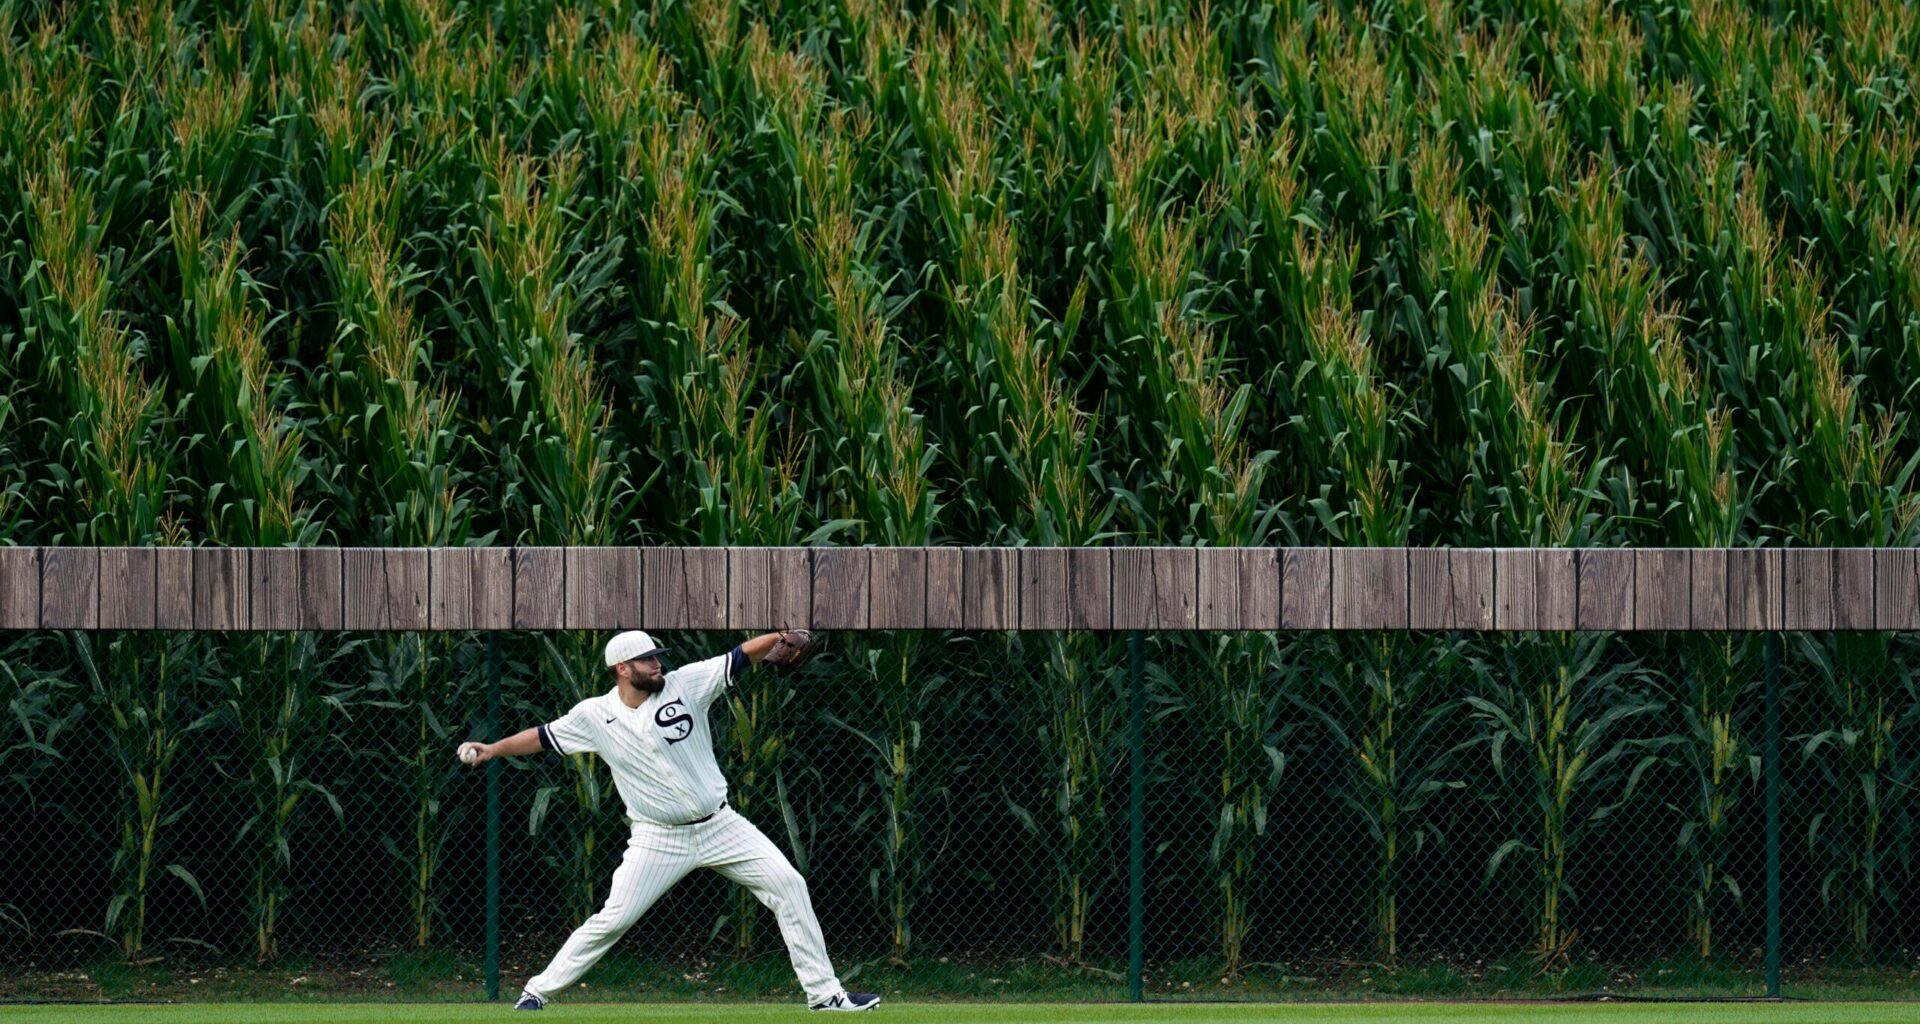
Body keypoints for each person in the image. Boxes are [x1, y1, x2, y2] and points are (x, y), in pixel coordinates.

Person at [459, 629, 879, 1012]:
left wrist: (781, 636)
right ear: (622, 669)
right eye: (647, 659)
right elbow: (542, 736)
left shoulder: (686, 683)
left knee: (789, 885)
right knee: (614, 918)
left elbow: (738, 657)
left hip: (721, 826)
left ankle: (825, 994)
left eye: (658, 656)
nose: (657, 663)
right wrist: (494, 749)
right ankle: (536, 991)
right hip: (657, 840)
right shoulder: (594, 715)